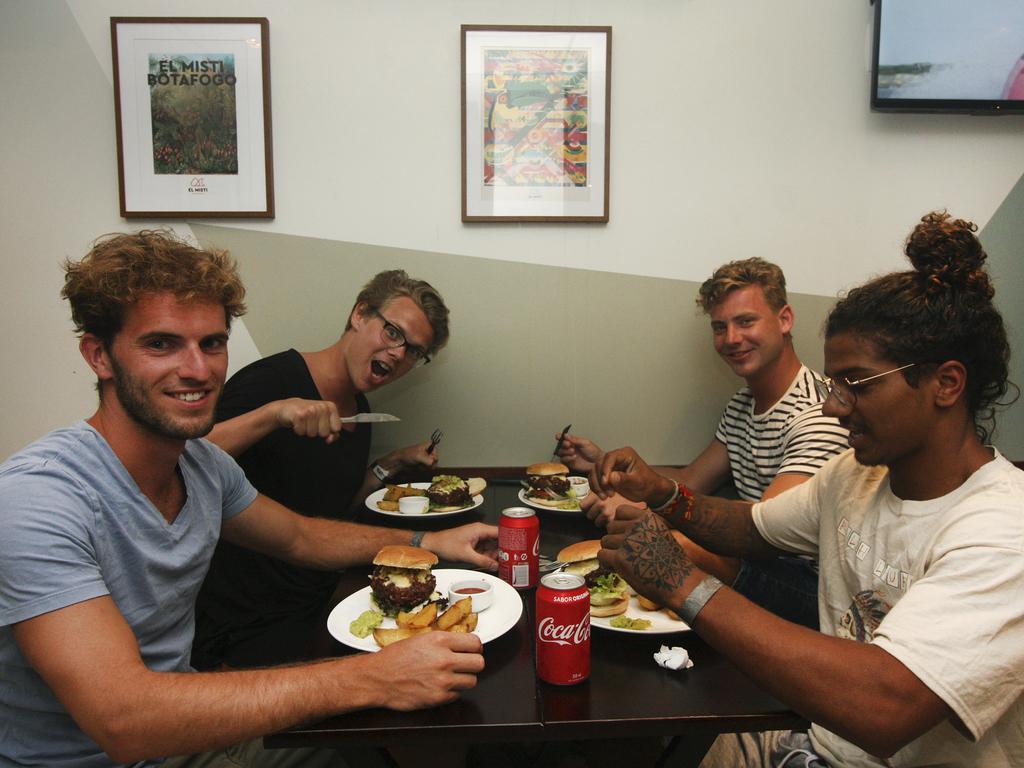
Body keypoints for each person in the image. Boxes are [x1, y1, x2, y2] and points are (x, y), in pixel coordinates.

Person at [0, 230, 499, 768]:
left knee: (427, 732)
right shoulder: (37, 498)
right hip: (108, 753)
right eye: (161, 343)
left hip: (187, 737)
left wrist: (429, 539)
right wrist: (373, 677)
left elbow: (304, 536)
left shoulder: (202, 465)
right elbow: (125, 720)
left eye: (212, 343)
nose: (198, 369)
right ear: (99, 355)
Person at [592, 211, 1024, 767]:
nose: (832, 405)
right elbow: (748, 527)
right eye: (833, 383)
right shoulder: (856, 475)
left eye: (856, 385)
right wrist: (663, 495)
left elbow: (885, 706)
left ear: (945, 384)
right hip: (812, 745)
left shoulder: (1003, 529)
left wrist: (681, 582)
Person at [558, 258, 847, 628]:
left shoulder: (818, 413)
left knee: (663, 544)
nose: (731, 339)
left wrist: (645, 516)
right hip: (752, 559)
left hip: (809, 588)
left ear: (785, 319)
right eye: (720, 327)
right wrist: (606, 466)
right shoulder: (743, 404)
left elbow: (766, 532)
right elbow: (691, 479)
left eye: (746, 321)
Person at [193, 269, 449, 669]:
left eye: (414, 351)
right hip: (249, 624)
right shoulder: (272, 381)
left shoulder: (359, 409)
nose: (400, 354)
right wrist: (274, 415)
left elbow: (333, 505)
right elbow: (185, 462)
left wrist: (390, 464)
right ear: (360, 315)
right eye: (393, 333)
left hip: (323, 600)